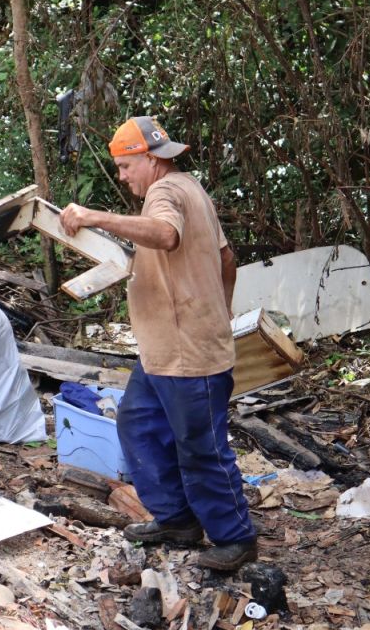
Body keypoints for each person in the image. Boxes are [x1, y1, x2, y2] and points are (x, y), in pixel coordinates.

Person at [59, 116, 256, 571]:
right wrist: (221, 310)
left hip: (189, 355)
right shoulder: (191, 188)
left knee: (200, 446)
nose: (123, 176)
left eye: (126, 167)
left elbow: (166, 235)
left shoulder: (165, 193)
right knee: (139, 425)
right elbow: (227, 258)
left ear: (149, 159)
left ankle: (236, 539)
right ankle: (176, 519)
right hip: (164, 350)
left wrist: (93, 217)